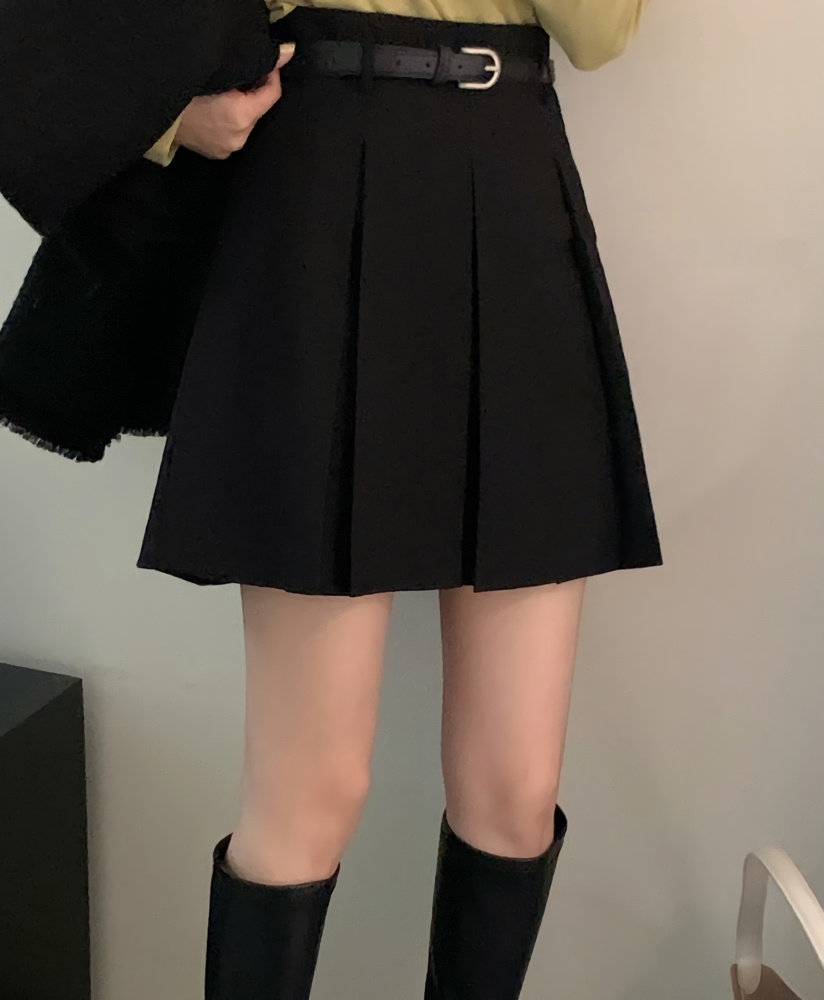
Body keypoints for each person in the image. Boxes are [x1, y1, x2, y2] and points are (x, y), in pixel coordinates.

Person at [133, 1, 661, 997]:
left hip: (510, 195)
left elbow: (599, 33)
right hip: (318, 194)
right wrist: (159, 111)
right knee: (308, 793)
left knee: (515, 791)